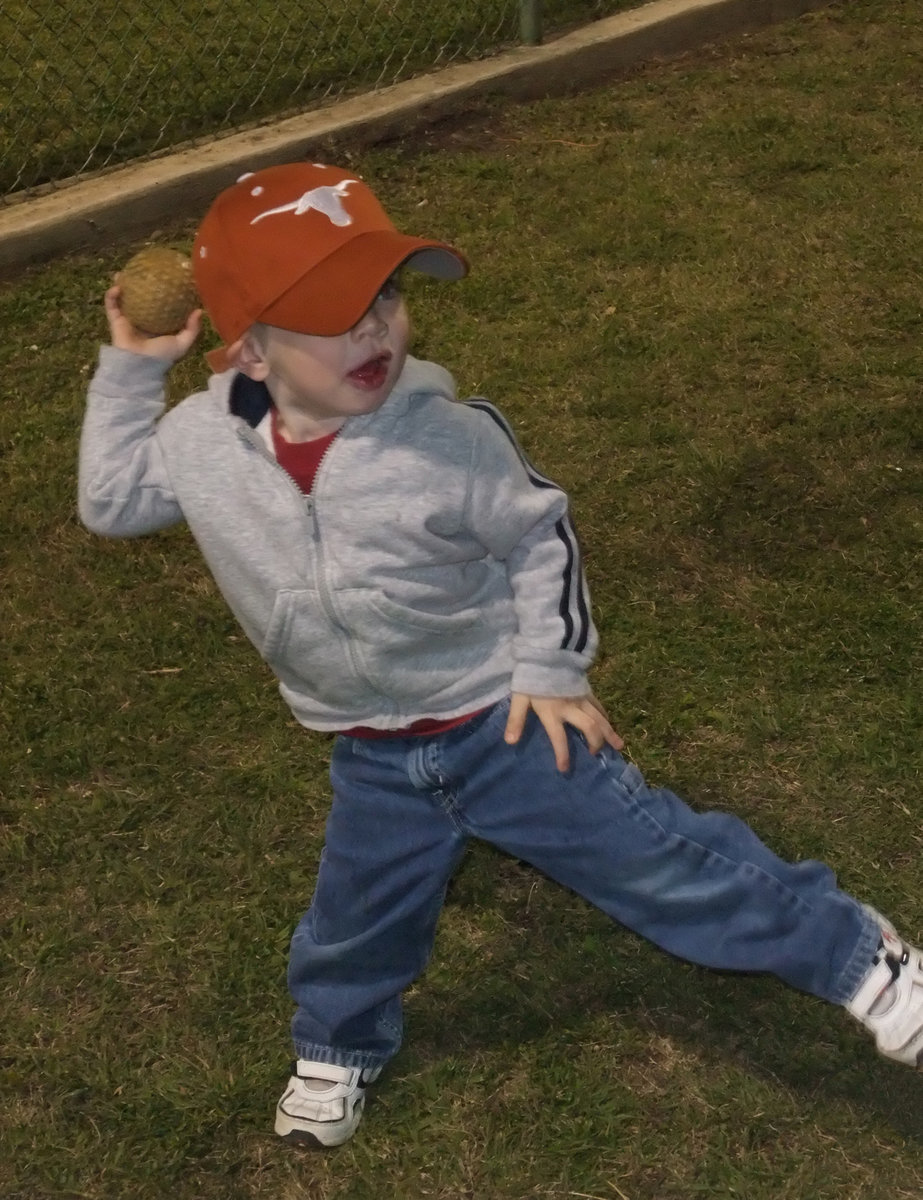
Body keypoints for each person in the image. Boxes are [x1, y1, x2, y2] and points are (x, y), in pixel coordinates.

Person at [79, 161, 923, 1149]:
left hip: (501, 723)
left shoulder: (450, 441)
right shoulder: (204, 442)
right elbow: (112, 501)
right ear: (249, 353)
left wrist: (551, 671)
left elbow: (538, 536)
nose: (375, 328)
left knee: (659, 866)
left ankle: (862, 962)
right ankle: (336, 1042)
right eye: (334, 313)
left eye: (384, 296)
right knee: (354, 921)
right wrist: (134, 367)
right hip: (372, 752)